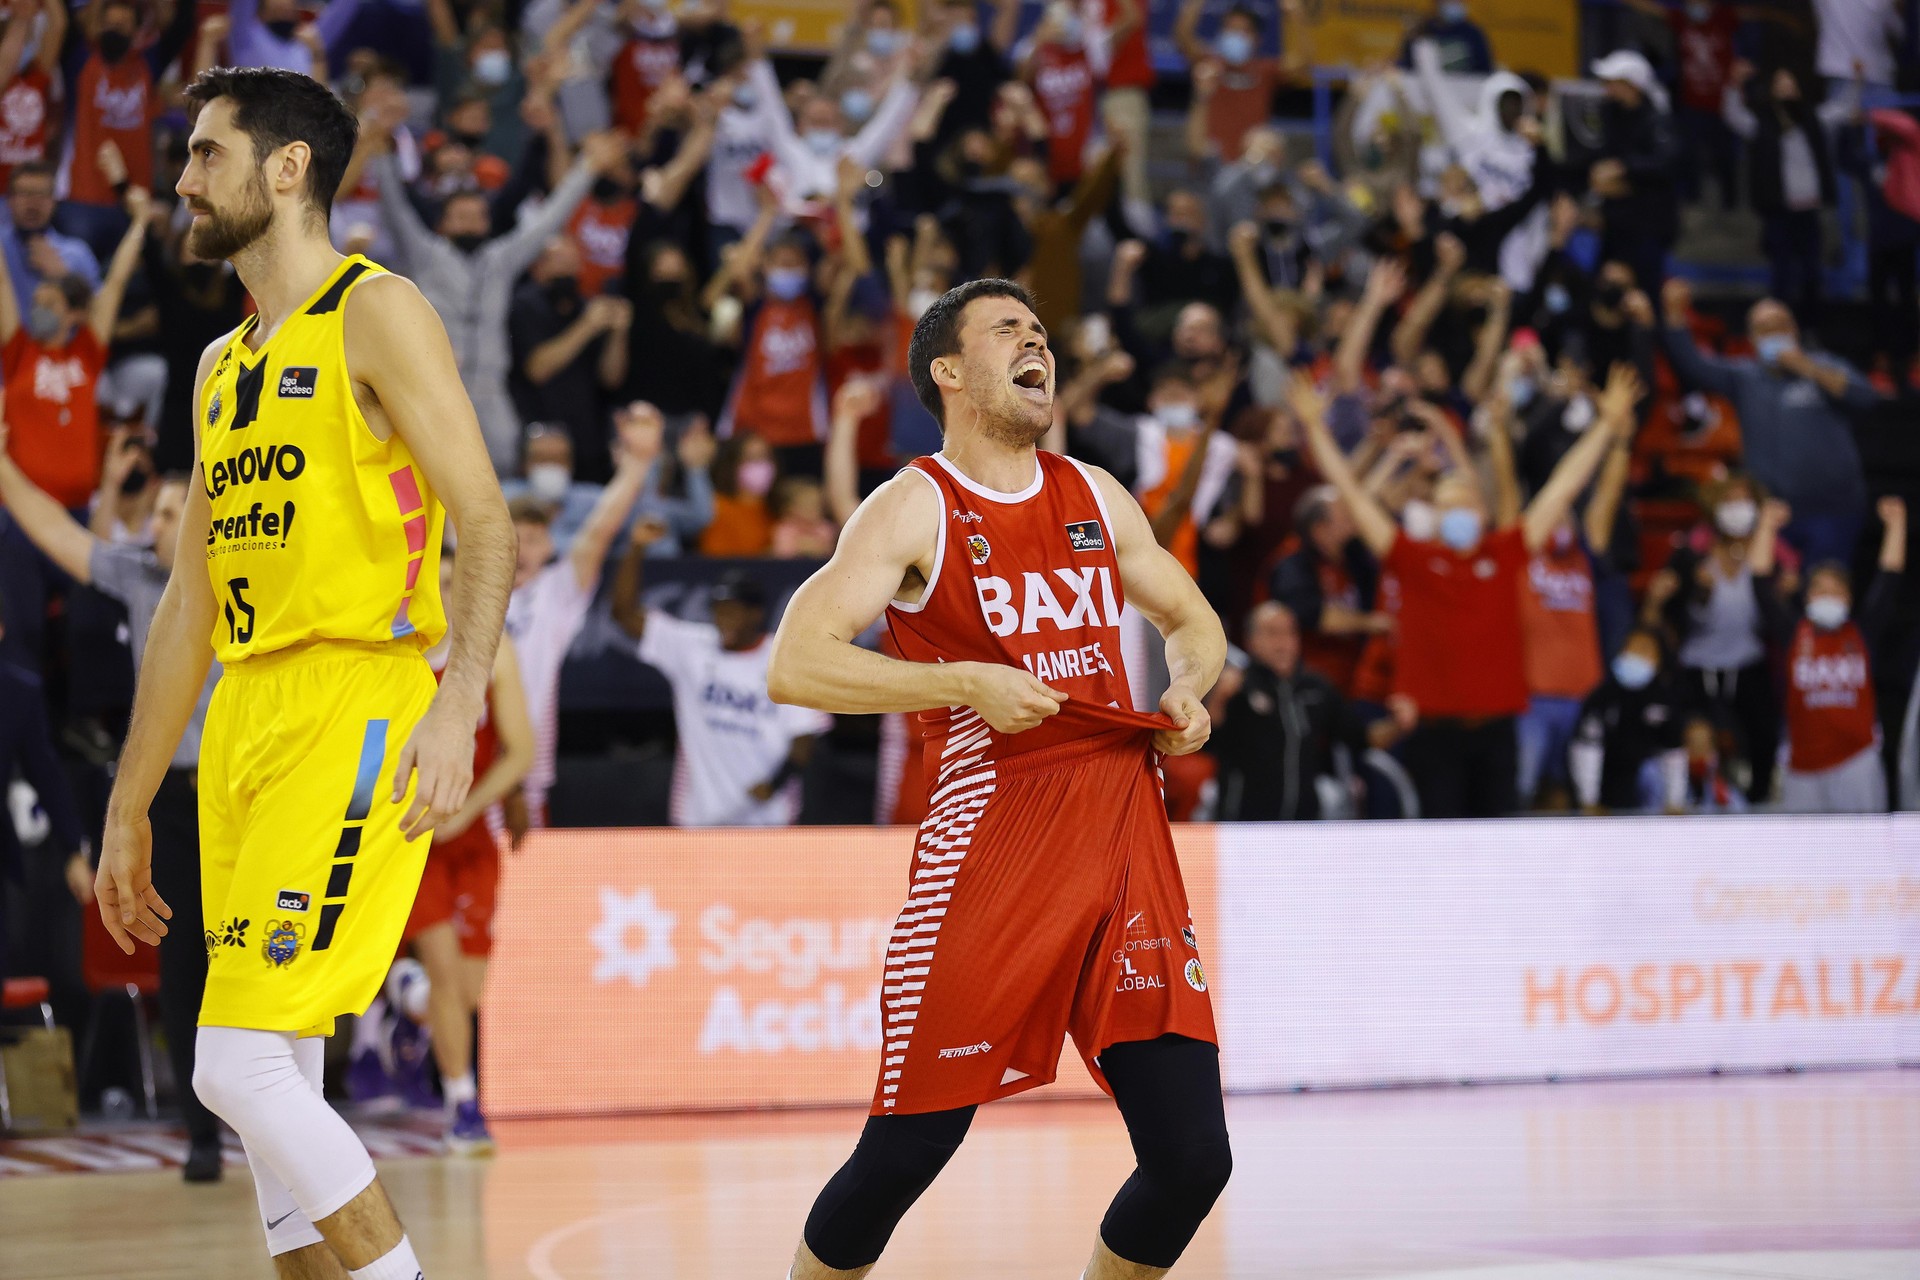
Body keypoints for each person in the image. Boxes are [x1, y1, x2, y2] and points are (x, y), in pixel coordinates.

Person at [93, 68, 515, 1279]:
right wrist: (130, 803)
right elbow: (185, 606)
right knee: (278, 1072)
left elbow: (485, 520)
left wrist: (457, 703)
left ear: (287, 169)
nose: (183, 178)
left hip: (357, 700)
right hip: (247, 715)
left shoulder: (376, 310)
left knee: (232, 1063)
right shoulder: (220, 364)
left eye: (206, 154)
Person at [767, 278, 1230, 1280]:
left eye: (1042, 332)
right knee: (905, 1151)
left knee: (1194, 1157)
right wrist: (963, 680)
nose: (1037, 345)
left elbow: (1192, 619)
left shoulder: (1095, 493)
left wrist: (1188, 689)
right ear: (948, 370)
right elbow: (795, 663)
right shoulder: (914, 505)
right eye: (1008, 330)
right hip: (997, 844)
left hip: (1123, 832)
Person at [0, 417, 224, 1181]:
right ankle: (202, 1135)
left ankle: (283, 1112)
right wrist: (3, 465)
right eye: (155, 513)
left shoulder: (247, 572)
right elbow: (53, 532)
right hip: (173, 801)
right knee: (184, 966)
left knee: (259, 956)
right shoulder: (138, 577)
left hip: (243, 793)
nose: (155, 523)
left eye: (169, 512)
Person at [1293, 363, 1644, 818]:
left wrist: (1605, 427)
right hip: (1435, 731)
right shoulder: (1411, 558)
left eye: (1465, 503)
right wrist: (1314, 428)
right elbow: (1352, 494)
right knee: (1442, 844)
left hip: (1498, 729)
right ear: (1436, 517)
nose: (1458, 512)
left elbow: (1562, 489)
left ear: (1481, 512)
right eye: (1447, 506)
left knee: (1500, 840)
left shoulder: (1505, 552)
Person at [399, 541, 534, 1154]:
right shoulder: (396, 656)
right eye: (436, 582)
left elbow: (522, 752)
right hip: (410, 838)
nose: (446, 593)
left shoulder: (493, 652)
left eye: (456, 582)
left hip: (470, 836)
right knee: (447, 974)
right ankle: (462, 1102)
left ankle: (406, 998)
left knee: (469, 990)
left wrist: (468, 810)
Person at [505, 406, 664, 827]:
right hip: (453, 764)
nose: (521, 549)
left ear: (548, 549)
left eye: (533, 539)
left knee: (520, 871)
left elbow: (597, 532)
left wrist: (637, 464)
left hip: (524, 775)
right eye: (512, 538)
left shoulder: (553, 593)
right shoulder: (462, 587)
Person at [1659, 278, 1884, 564]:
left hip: (1833, 510)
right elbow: (1693, 366)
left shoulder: (1825, 365)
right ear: (1752, 339)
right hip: (1770, 514)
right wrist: (1675, 317)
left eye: (1780, 325)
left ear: (1794, 330)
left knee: (1824, 583)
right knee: (1772, 588)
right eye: (1764, 329)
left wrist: (1806, 367)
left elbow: (1865, 397)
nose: (1774, 334)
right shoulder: (1744, 377)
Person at [612, 536, 829, 826]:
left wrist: (774, 784)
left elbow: (803, 738)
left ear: (755, 613)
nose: (723, 618)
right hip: (699, 820)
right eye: (718, 610)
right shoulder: (692, 647)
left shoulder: (786, 658)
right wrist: (636, 547)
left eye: (732, 610)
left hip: (767, 823)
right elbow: (624, 613)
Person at [1642, 475, 1785, 803]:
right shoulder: (1691, 559)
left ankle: (1757, 803)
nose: (1737, 509)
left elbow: (1777, 616)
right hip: (1697, 668)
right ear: (1715, 508)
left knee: (1763, 738)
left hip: (1749, 665)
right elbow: (1666, 616)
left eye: (1743, 501)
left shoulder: (1769, 558)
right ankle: (1689, 802)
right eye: (1729, 501)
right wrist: (1695, 592)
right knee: (1694, 735)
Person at [1206, 601, 1414, 820]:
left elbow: (1361, 738)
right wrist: (1218, 700)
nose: (1283, 643)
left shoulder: (1317, 688)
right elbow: (1206, 745)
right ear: (1251, 640)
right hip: (1244, 826)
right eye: (1272, 633)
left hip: (1304, 826)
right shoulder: (1236, 686)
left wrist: (1397, 726)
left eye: (1290, 633)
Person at [1774, 497, 1906, 813]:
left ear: (1848, 599)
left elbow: (1889, 579)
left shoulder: (1860, 633)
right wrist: (1766, 526)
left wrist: (1897, 524)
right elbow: (1759, 585)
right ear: (1807, 597)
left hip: (1856, 760)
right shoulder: (1794, 633)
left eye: (1836, 590)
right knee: (1801, 842)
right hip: (1802, 765)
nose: (1828, 596)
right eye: (1820, 589)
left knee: (1864, 840)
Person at [1588, 50, 1681, 292]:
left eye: (1613, 82)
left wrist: (1623, 169)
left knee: (1645, 289)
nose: (1607, 89)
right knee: (1605, 287)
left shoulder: (1656, 119)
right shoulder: (1610, 114)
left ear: (1632, 86)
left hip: (1648, 224)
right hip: (1616, 223)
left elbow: (1666, 163)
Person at [1570, 627, 1686, 812]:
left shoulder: (1664, 700)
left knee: (1650, 771)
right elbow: (1587, 748)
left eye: (1644, 649)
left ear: (1657, 661)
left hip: (1646, 781)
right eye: (1632, 648)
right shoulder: (1602, 697)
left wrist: (1675, 803)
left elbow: (1674, 753)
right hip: (1607, 775)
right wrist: (1589, 801)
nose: (1636, 655)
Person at [1397, 0, 1493, 74]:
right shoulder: (1420, 31)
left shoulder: (1473, 33)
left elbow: (1484, 69)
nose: (1454, 2)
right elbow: (1407, 66)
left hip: (1465, 90)